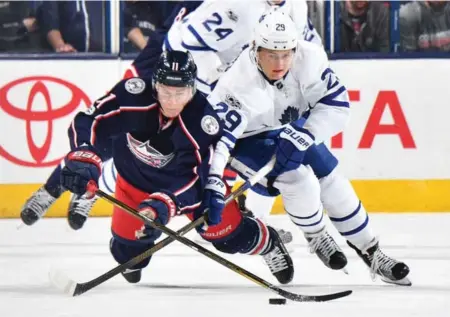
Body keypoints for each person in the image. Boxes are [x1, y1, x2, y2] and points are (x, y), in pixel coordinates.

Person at [206, 9, 411, 286]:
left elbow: (337, 107)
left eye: (286, 53)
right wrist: (214, 184)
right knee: (299, 181)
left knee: (332, 178)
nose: (280, 63)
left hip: (291, 127)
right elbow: (219, 143)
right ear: (255, 48)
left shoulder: (309, 56)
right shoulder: (237, 84)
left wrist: (306, 133)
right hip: (246, 141)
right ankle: (316, 234)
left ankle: (371, 250)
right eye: (272, 55)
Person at [57, 50, 295, 284]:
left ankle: (269, 243)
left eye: (179, 93)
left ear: (192, 88)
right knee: (129, 257)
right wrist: (82, 154)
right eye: (165, 91)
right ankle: (133, 248)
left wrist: (162, 206)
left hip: (190, 189)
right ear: (154, 85)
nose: (171, 101)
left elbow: (200, 181)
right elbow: (89, 119)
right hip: (135, 183)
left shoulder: (203, 122)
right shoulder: (132, 96)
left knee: (227, 237)